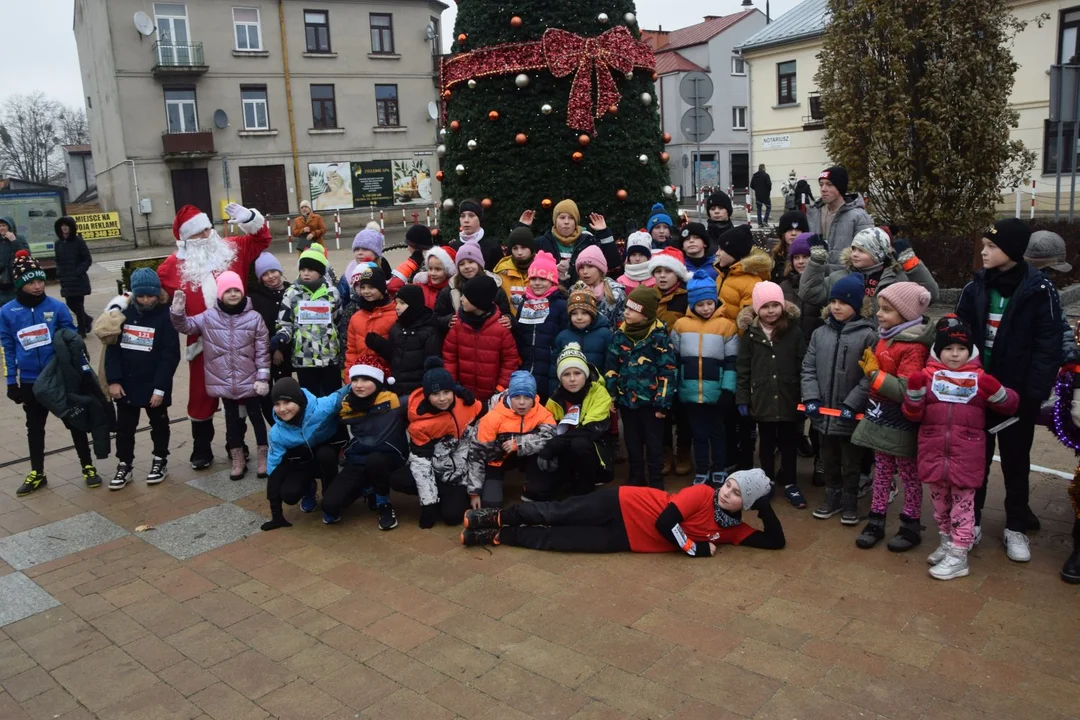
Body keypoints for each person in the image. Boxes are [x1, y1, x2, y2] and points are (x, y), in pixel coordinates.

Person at [955, 219, 1063, 562]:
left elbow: (1048, 345)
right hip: (978, 393)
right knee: (976, 460)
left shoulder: (1040, 291)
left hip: (1018, 396)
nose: (983, 253)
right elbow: (958, 334)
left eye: (991, 247)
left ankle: (1016, 526)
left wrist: (1033, 393)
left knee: (1016, 460)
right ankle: (969, 522)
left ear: (1013, 251)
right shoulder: (975, 288)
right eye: (983, 245)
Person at [158, 203, 271, 469]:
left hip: (239, 337)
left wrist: (250, 218)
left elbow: (262, 238)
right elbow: (151, 296)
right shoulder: (171, 267)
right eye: (199, 232)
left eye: (208, 228)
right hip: (201, 342)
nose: (207, 235)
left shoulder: (232, 248)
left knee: (240, 392)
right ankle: (201, 447)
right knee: (200, 395)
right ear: (186, 239)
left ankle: (237, 443)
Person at [904, 316, 1019, 579]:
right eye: (948, 349)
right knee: (940, 506)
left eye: (961, 349)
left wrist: (997, 391)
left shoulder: (979, 379)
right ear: (938, 351)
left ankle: (959, 555)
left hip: (966, 456)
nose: (955, 355)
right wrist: (914, 394)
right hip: (934, 453)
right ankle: (947, 544)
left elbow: (1011, 405)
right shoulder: (929, 377)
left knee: (963, 507)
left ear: (971, 351)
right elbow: (912, 414)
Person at [460, 469, 785, 554]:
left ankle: (499, 535)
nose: (726, 493)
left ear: (747, 503)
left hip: (627, 539)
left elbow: (775, 542)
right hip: (625, 502)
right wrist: (695, 549)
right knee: (557, 514)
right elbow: (665, 522)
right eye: (729, 485)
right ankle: (496, 516)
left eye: (737, 494)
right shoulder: (702, 494)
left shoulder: (733, 531)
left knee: (561, 541)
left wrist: (764, 506)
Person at [1, 251, 99, 494]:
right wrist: (11, 381)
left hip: (59, 377)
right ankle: (37, 472)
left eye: (40, 281)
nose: (37, 286)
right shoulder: (7, 312)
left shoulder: (56, 307)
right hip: (30, 381)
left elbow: (72, 339)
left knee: (74, 421)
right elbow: (7, 347)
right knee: (34, 427)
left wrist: (79, 369)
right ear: (20, 284)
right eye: (31, 282)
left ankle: (88, 466)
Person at [850, 283, 933, 550]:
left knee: (909, 474)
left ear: (906, 313)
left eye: (887, 310)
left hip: (901, 421)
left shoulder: (913, 347)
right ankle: (876, 519)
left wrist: (875, 375)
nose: (879, 314)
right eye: (880, 308)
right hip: (880, 416)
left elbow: (906, 390)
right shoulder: (887, 336)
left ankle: (910, 524)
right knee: (882, 470)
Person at [172, 271, 271, 480]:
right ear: (220, 294)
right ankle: (238, 459)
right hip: (225, 384)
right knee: (232, 423)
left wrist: (262, 377)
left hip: (251, 382)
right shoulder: (209, 317)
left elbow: (262, 350)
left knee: (257, 420)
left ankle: (264, 457)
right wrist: (178, 312)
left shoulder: (254, 318)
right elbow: (186, 326)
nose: (233, 294)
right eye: (228, 291)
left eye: (237, 290)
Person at [802, 273, 877, 524]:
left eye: (843, 302)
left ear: (856, 306)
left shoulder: (868, 335)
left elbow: (869, 377)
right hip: (824, 416)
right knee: (829, 459)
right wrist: (811, 397)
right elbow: (809, 368)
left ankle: (850, 501)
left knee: (851, 462)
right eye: (833, 301)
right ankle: (831, 498)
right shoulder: (819, 334)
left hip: (850, 416)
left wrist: (851, 403)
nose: (836, 307)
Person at [105, 268, 180, 489]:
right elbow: (112, 351)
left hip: (154, 383)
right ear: (134, 294)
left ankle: (160, 460)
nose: (146, 300)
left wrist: (160, 389)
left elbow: (170, 356)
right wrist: (113, 380)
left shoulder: (166, 317)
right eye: (141, 295)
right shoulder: (122, 315)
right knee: (125, 427)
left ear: (158, 294)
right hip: (126, 384)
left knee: (159, 423)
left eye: (151, 295)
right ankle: (124, 463)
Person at [737, 282, 807, 509]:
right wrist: (742, 398)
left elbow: (803, 364)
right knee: (765, 443)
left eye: (775, 305)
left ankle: (790, 483)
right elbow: (743, 368)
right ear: (757, 308)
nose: (771, 311)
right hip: (763, 398)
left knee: (788, 442)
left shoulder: (794, 331)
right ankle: (765, 482)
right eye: (765, 306)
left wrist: (805, 395)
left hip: (788, 397)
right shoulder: (750, 334)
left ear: (782, 306)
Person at [605, 285, 677, 489]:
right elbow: (612, 367)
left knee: (654, 445)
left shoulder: (659, 337)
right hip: (627, 403)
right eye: (626, 307)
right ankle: (636, 476)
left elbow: (668, 371)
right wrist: (612, 395)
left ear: (645, 314)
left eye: (633, 309)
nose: (626, 312)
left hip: (652, 404)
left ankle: (656, 480)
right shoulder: (619, 335)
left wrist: (663, 403)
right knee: (632, 443)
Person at [671, 270, 739, 486]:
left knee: (717, 433)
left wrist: (728, 389)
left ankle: (718, 467)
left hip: (716, 392)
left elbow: (732, 361)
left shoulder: (727, 326)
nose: (706, 308)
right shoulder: (681, 325)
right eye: (701, 305)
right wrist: (675, 387)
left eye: (710, 303)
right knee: (698, 434)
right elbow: (675, 359)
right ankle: (701, 469)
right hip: (689, 391)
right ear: (692, 304)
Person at [328, 356, 408, 528]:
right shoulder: (346, 406)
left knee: (376, 461)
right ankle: (367, 487)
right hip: (359, 457)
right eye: (355, 379)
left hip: (389, 457)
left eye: (365, 379)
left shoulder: (394, 402)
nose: (358, 384)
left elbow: (422, 398)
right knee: (330, 507)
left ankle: (383, 502)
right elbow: (319, 414)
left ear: (378, 381)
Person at [261, 377, 349, 531]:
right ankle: (309, 489)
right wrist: (276, 515)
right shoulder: (277, 433)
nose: (282, 409)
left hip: (325, 458)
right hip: (301, 463)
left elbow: (344, 391)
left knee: (326, 455)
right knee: (289, 494)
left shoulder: (321, 407)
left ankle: (329, 499)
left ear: (299, 400)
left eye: (287, 402)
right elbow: (273, 468)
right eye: (277, 404)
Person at [408, 358, 483, 528]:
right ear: (427, 396)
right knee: (401, 478)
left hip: (459, 473)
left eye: (446, 392)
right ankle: (434, 497)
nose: (442, 399)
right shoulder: (421, 424)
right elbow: (421, 463)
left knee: (452, 517)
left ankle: (453, 496)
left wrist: (473, 489)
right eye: (435, 394)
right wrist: (428, 505)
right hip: (435, 468)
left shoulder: (468, 404)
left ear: (454, 391)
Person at [466, 371, 556, 507]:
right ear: (509, 396)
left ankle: (533, 488)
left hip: (527, 457)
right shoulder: (492, 417)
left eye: (527, 397)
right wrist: (474, 492)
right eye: (516, 397)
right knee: (491, 504)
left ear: (534, 397)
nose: (521, 402)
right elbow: (476, 454)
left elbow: (550, 437)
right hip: (498, 460)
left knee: (546, 456)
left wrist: (519, 444)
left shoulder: (542, 413)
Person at [536, 343, 614, 498]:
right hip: (565, 452)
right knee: (542, 492)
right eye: (566, 374)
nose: (572, 379)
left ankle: (586, 490)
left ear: (585, 374)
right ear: (560, 377)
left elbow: (591, 430)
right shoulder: (555, 398)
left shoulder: (599, 393)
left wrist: (555, 444)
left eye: (577, 373)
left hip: (594, 450)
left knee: (580, 443)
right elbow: (548, 427)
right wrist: (548, 447)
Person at [799, 227, 939, 314]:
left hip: (883, 343)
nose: (854, 254)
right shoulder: (839, 277)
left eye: (862, 250)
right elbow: (809, 293)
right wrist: (816, 262)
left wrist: (912, 265)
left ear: (877, 253)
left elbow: (929, 296)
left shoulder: (897, 279)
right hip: (848, 342)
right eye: (853, 248)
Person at [780, 232, 826, 471]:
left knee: (817, 407)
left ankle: (821, 460)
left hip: (818, 356)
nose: (800, 261)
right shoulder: (784, 286)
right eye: (796, 256)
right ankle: (797, 438)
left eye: (806, 256)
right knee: (792, 405)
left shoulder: (825, 284)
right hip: (790, 355)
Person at [273, 243, 343, 396]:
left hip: (329, 355)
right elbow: (285, 321)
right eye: (303, 270)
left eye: (310, 270)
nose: (306, 273)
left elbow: (338, 318)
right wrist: (282, 337)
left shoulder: (332, 292)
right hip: (304, 357)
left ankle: (333, 420)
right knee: (310, 397)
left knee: (332, 397)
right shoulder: (292, 293)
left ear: (320, 272)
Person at [443, 275, 520, 403]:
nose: (461, 299)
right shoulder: (458, 324)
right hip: (462, 394)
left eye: (465, 296)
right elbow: (449, 356)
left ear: (478, 301)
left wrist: (500, 388)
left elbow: (510, 361)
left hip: (492, 397)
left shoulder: (500, 328)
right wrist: (452, 385)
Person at [366, 284, 442, 396]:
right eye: (396, 303)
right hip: (396, 386)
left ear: (414, 304)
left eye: (402, 303)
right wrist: (380, 345)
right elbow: (394, 356)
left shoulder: (429, 331)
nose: (397, 307)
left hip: (417, 390)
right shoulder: (397, 327)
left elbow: (432, 365)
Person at [519, 202, 621, 285]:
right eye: (562, 217)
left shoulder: (588, 241)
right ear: (555, 220)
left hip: (583, 298)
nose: (566, 222)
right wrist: (522, 228)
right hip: (550, 299)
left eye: (571, 218)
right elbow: (517, 259)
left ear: (576, 221)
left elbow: (613, 263)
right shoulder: (541, 243)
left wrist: (603, 232)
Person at [517, 251, 568, 402]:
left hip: (550, 371)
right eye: (533, 278)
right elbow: (519, 335)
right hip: (526, 368)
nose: (537, 283)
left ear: (552, 281)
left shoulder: (560, 305)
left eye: (542, 279)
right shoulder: (524, 303)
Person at [1025, 230, 1080, 367]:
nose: (1054, 276)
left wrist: (1071, 356)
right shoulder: (1035, 289)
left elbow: (1059, 323)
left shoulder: (1047, 289)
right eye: (1049, 271)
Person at [434, 242, 513, 332]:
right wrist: (448, 319)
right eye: (462, 264)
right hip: (460, 337)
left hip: (489, 336)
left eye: (471, 262)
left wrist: (507, 318)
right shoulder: (450, 289)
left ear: (479, 264)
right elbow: (437, 316)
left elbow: (505, 312)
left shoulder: (495, 287)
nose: (467, 266)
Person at [251, 253, 291, 424]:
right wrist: (273, 349)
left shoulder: (291, 291)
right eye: (265, 274)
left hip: (288, 350)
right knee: (266, 392)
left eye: (273, 271)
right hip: (264, 352)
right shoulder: (256, 297)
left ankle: (290, 422)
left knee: (286, 389)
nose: (271, 277)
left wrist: (280, 348)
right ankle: (275, 424)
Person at [806, 166, 874, 263]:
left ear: (840, 188)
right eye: (821, 185)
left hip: (845, 275)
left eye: (829, 184)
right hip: (817, 273)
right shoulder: (814, 212)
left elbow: (867, 252)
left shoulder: (859, 216)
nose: (823, 189)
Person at [714, 225, 774, 325]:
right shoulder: (722, 275)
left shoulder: (751, 283)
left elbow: (747, 321)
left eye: (721, 249)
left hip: (734, 337)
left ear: (735, 252)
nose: (717, 253)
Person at [552, 282, 613, 379]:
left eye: (584, 313)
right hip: (569, 388)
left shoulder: (605, 335)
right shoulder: (563, 336)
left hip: (597, 388)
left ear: (592, 314)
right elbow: (554, 368)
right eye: (574, 314)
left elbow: (610, 365)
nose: (579, 317)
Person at [343, 264, 396, 374]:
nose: (366, 291)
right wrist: (349, 375)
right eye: (363, 287)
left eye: (371, 287)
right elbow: (351, 351)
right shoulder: (356, 318)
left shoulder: (395, 315)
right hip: (361, 377)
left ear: (382, 289)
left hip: (388, 378)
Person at [53, 217, 93, 335]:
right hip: (66, 279)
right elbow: (58, 260)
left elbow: (87, 259)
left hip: (78, 279)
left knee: (79, 305)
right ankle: (87, 320)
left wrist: (78, 272)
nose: (64, 228)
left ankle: (82, 330)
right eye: (62, 226)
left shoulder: (78, 241)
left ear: (71, 227)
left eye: (67, 226)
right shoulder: (58, 243)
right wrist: (59, 272)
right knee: (70, 303)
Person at [575, 245, 625, 327]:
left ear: (600, 269)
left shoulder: (616, 292)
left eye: (590, 266)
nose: (585, 271)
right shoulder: (574, 291)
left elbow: (622, 322)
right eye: (581, 268)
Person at [449, 199, 503, 271]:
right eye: (462, 216)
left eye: (471, 215)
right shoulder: (454, 246)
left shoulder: (492, 246)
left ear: (479, 219)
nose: (466, 220)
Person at [340, 226, 392, 299]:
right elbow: (343, 302)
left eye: (365, 249)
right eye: (357, 249)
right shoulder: (347, 275)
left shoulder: (385, 268)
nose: (360, 253)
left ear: (376, 252)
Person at [494, 226, 536, 316]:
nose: (519, 252)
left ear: (531, 248)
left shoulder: (543, 270)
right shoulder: (501, 272)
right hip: (509, 323)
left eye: (523, 247)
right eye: (515, 248)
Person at [388, 224, 435, 295]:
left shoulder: (416, 263)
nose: (407, 248)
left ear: (412, 245)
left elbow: (392, 286)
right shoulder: (435, 259)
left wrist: (410, 263)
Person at [412, 245, 457, 310]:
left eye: (438, 269)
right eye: (430, 268)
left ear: (448, 271)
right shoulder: (419, 287)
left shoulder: (453, 292)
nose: (432, 273)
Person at [770, 211, 809, 283]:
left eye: (797, 230)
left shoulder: (811, 256)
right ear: (783, 234)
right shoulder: (775, 257)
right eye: (789, 230)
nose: (793, 233)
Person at [0, 216, 29, 306]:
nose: (1, 228)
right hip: (2, 283)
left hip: (15, 282)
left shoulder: (19, 239)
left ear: (10, 226)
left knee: (17, 306)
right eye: (0, 225)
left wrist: (14, 241)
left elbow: (26, 255)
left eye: (4, 225)